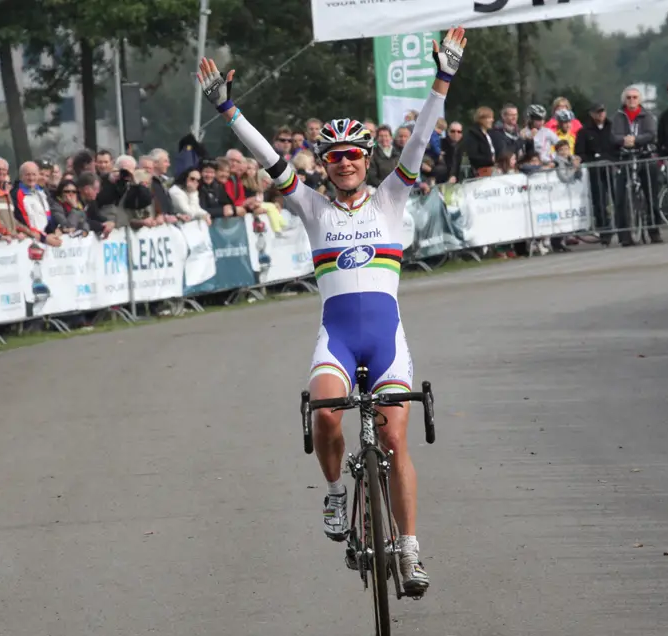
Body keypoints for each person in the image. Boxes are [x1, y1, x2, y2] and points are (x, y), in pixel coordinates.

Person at [196, 26, 468, 598]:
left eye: (353, 155)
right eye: (334, 156)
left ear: (367, 160)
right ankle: (335, 492)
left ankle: (411, 548)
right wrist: (226, 108)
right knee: (324, 414)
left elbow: (418, 140)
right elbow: (268, 156)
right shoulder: (311, 206)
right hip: (338, 339)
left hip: (387, 339)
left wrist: (442, 77)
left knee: (395, 441)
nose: (344, 163)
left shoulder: (393, 197)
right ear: (323, 163)